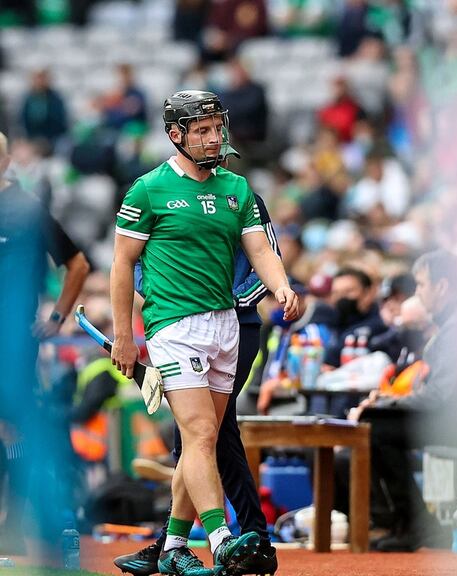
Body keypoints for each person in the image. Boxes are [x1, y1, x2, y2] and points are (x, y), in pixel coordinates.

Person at [109, 90, 296, 576]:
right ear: (176, 135)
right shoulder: (147, 190)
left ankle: (172, 545)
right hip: (173, 325)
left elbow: (259, 249)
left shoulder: (236, 187)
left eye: (218, 129)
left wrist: (282, 287)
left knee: (204, 442)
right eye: (203, 131)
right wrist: (125, 335)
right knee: (198, 433)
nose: (215, 139)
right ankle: (221, 538)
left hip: (225, 324)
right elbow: (122, 265)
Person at [343, 250, 457, 552]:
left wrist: (385, 405)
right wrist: (389, 401)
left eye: (422, 285)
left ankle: (416, 525)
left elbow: (439, 395)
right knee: (377, 420)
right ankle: (409, 522)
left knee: (375, 425)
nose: (419, 293)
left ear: (442, 286)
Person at [0, 129, 91, 555]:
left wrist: (57, 317)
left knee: (14, 427)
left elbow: (77, 263)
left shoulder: (26, 210)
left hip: (14, 340)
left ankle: (27, 525)